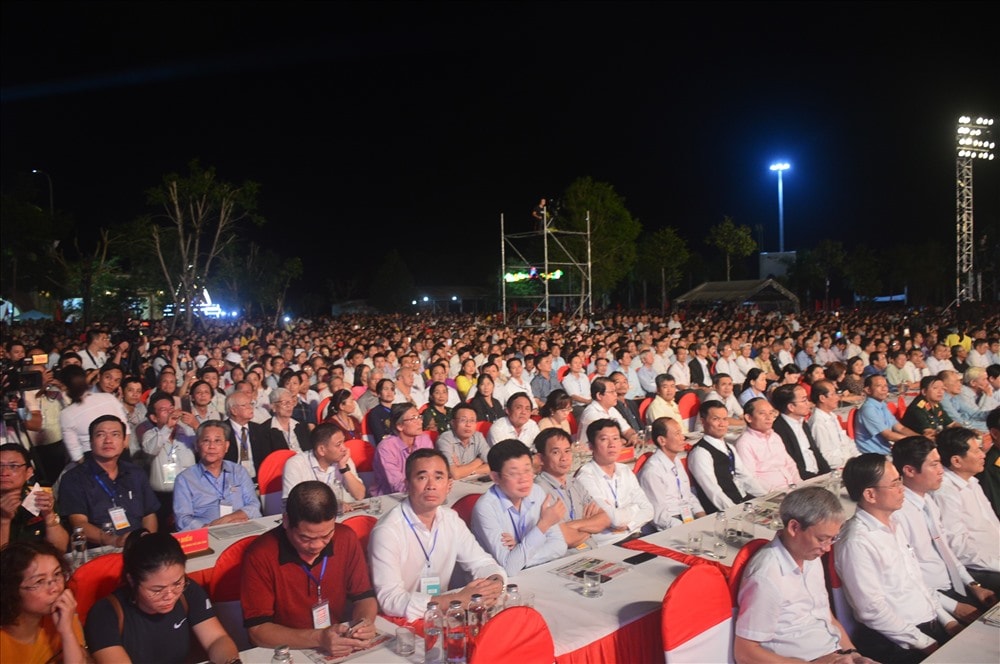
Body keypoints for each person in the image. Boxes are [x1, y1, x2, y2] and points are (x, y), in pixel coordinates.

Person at [835, 453, 959, 662]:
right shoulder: (857, 542)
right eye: (894, 484)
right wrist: (927, 643)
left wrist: (948, 621)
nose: (902, 489)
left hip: (928, 626)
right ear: (870, 495)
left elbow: (916, 582)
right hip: (897, 641)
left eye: (900, 480)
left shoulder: (892, 524)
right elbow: (872, 611)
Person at [734, 487, 872, 664]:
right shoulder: (766, 577)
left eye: (832, 539)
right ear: (794, 527)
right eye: (822, 539)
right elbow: (745, 653)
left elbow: (825, 615)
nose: (827, 548)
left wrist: (854, 654)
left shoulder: (810, 555)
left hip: (835, 653)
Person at [241, 481, 377, 655]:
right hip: (286, 650)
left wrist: (363, 624)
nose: (317, 545)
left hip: (336, 642)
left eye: (326, 535)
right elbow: (257, 631)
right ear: (286, 521)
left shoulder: (346, 538)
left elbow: (364, 597)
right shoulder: (260, 554)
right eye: (306, 538)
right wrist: (319, 638)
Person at [368, 449, 506, 620]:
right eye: (422, 477)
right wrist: (455, 600)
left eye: (439, 477)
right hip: (401, 621)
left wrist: (495, 582)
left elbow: (481, 562)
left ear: (449, 484)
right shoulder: (387, 531)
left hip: (442, 616)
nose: (431, 485)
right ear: (407, 484)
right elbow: (390, 600)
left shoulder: (451, 519)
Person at [85, 529, 239, 664]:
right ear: (132, 580)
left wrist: (231, 661)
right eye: (157, 590)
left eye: (178, 583)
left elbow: (216, 640)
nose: (170, 595)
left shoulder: (188, 591)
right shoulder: (105, 614)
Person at [891, 436, 996, 624]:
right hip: (932, 597)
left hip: (955, 583)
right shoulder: (898, 514)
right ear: (909, 470)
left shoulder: (927, 500)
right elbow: (909, 577)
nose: (941, 471)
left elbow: (946, 551)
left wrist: (974, 586)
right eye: (934, 465)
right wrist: (952, 607)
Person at [58, 414, 159, 546]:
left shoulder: (136, 473)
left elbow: (149, 515)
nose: (108, 440)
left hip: (139, 548)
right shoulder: (74, 478)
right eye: (100, 435)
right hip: (100, 550)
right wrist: (114, 541)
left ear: (124, 442)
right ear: (91, 442)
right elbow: (79, 523)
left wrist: (147, 542)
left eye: (115, 434)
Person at [471, 439, 568, 575]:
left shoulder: (537, 491)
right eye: (514, 473)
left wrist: (520, 553)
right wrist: (543, 525)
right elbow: (509, 568)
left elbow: (559, 546)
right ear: (495, 477)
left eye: (528, 470)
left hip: (533, 574)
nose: (524, 479)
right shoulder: (485, 508)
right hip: (494, 583)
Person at [933, 427, 1000, 592]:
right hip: (979, 569)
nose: (983, 455)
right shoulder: (945, 492)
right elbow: (959, 549)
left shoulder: (972, 482)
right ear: (956, 461)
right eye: (977, 451)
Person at [0, 540, 88, 664]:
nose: (55, 588)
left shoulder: (62, 615)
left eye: (57, 574)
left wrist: (67, 632)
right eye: (39, 581)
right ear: (12, 590)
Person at [573, 419, 654, 545]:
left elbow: (648, 510)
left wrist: (629, 525)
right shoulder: (585, 477)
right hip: (608, 544)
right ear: (590, 446)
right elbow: (612, 519)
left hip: (636, 536)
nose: (612, 444)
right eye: (604, 439)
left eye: (616, 438)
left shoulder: (625, 470)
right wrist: (634, 509)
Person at [172, 420, 261, 531]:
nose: (212, 446)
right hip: (205, 535)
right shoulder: (184, 479)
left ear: (226, 446)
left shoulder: (239, 471)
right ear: (197, 445)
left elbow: (254, 505)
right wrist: (210, 528)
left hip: (241, 528)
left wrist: (229, 519)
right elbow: (182, 519)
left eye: (217, 441)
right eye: (206, 441)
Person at [534, 427, 610, 549]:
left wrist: (573, 526)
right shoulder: (539, 490)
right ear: (541, 458)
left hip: (592, 550)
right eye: (556, 452)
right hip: (564, 558)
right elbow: (564, 538)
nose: (564, 458)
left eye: (567, 451)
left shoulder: (574, 482)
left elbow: (605, 519)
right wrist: (590, 527)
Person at [688, 400, 765, 514]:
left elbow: (746, 477)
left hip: (742, 502)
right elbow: (713, 491)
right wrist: (735, 512)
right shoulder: (700, 453)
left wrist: (766, 497)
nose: (722, 424)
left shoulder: (729, 447)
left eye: (724, 419)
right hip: (723, 512)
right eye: (716, 419)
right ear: (703, 421)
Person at [637, 417, 704, 530]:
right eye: (677, 434)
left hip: (687, 517)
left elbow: (687, 494)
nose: (683, 437)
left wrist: (702, 515)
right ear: (662, 440)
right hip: (671, 524)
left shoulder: (675, 460)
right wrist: (687, 528)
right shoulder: (652, 471)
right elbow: (659, 516)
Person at [0, 443, 69, 550]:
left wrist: (49, 516)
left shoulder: (38, 498)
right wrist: (4, 521)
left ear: (29, 472)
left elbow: (60, 548)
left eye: (13, 466)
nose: (4, 472)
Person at [58, 364, 131, 463]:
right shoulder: (108, 398)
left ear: (63, 386)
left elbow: (77, 455)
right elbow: (126, 435)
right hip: (121, 457)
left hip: (92, 463)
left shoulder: (66, 414)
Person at [282, 423, 366, 505]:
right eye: (338, 444)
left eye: (343, 442)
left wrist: (344, 468)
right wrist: (334, 506)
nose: (344, 448)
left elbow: (359, 495)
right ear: (321, 450)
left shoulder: (343, 460)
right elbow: (293, 505)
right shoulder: (295, 465)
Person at [733, 397, 802, 492]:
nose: (769, 417)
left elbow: (790, 464)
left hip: (792, 488)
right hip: (771, 494)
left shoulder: (775, 436)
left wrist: (799, 484)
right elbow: (750, 478)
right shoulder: (744, 443)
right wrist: (777, 492)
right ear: (749, 418)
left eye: (771, 413)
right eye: (762, 413)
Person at [771, 384, 831, 480]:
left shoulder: (803, 423)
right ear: (791, 407)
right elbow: (792, 464)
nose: (809, 403)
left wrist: (828, 474)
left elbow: (815, 452)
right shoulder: (777, 430)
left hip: (818, 476)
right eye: (804, 400)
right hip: (803, 479)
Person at [371, 403, 434, 496]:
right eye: (413, 418)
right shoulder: (386, 448)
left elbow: (432, 469)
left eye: (419, 417)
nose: (420, 422)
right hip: (389, 497)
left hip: (422, 492)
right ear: (400, 426)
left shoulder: (424, 439)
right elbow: (397, 485)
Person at [222, 391, 282, 481]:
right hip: (230, 479)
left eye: (251, 404)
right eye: (244, 405)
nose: (250, 408)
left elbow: (267, 460)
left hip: (257, 479)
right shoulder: (221, 430)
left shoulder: (259, 430)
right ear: (233, 410)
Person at [854, 375, 919, 454]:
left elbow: (900, 428)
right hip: (874, 455)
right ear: (868, 390)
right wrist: (916, 441)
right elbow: (888, 435)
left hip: (886, 450)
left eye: (885, 386)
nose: (884, 389)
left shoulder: (882, 405)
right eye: (879, 386)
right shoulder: (868, 409)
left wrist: (920, 438)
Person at [808, 380, 860, 469]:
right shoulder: (818, 423)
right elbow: (826, 457)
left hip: (849, 462)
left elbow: (847, 442)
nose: (837, 398)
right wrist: (850, 462)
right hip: (838, 467)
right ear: (822, 398)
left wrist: (858, 457)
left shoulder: (832, 416)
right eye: (833, 394)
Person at [575, 377, 639, 446]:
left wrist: (632, 436)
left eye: (615, 391)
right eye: (612, 392)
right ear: (599, 395)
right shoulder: (592, 414)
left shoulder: (611, 409)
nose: (616, 394)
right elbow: (608, 441)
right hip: (589, 454)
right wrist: (624, 441)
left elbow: (627, 430)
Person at [433, 403, 490, 479]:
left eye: (472, 421)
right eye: (463, 420)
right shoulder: (445, 440)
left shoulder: (478, 437)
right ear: (453, 423)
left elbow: (494, 465)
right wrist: (479, 461)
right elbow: (455, 474)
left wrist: (467, 471)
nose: (468, 425)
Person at [364, 378, 396, 445]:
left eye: (392, 389)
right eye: (386, 389)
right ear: (378, 394)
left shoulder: (399, 409)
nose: (389, 392)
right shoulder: (375, 413)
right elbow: (380, 437)